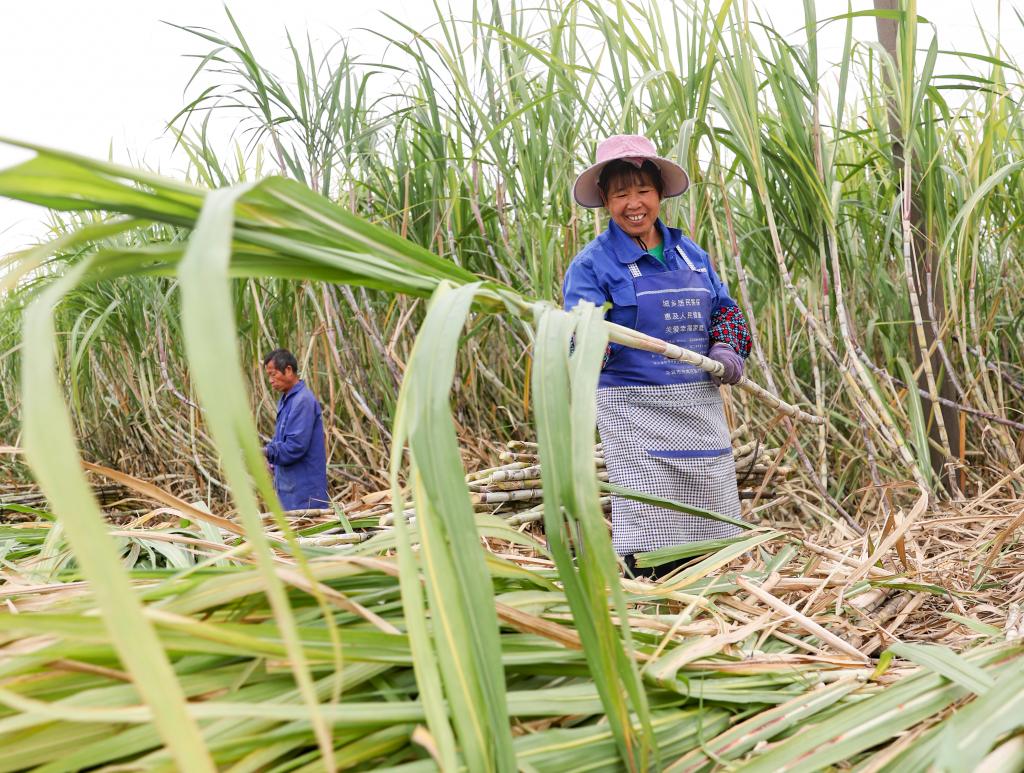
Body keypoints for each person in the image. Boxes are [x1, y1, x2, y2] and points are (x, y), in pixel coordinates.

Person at [562, 134, 752, 580]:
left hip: (699, 405)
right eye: (621, 193)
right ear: (605, 201)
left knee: (712, 513)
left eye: (643, 190)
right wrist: (598, 343)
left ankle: (714, 590)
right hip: (633, 410)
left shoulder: (691, 254)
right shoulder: (592, 265)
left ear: (659, 194)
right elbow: (578, 339)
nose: (634, 203)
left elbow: (724, 309)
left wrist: (726, 349)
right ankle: (651, 594)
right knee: (650, 517)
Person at [262, 348, 330, 511]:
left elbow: (295, 447)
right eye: (268, 376)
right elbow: (281, 440)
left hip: (305, 495)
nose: (270, 381)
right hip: (290, 492)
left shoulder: (302, 401)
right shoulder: (286, 399)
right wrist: (271, 461)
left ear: (288, 370)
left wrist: (265, 452)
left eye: (273, 374)